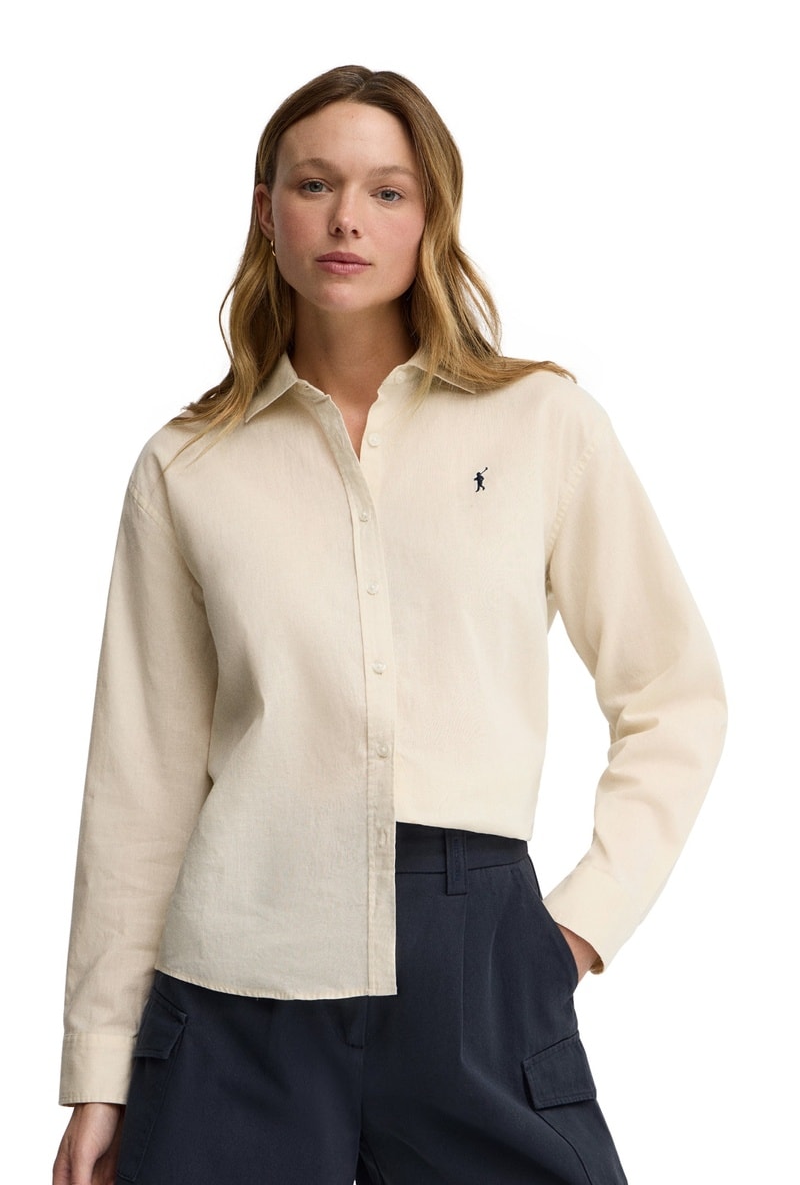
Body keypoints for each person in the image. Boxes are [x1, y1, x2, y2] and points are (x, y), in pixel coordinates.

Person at [53, 65, 726, 1185]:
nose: (347, 220)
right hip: (236, 988)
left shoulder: (541, 424)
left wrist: (577, 928)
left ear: (433, 216)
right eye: (314, 184)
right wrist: (98, 1069)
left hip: (476, 961)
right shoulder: (187, 466)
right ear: (266, 210)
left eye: (387, 191)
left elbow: (673, 694)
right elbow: (141, 780)